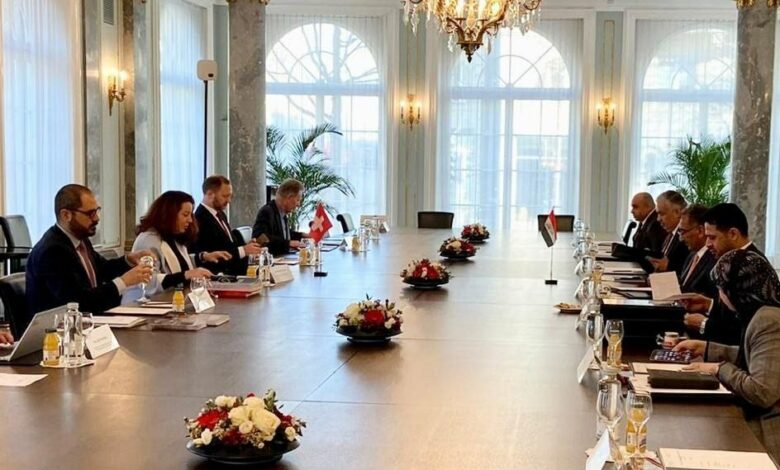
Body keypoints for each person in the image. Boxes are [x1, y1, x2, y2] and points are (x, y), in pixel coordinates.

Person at [674, 250, 780, 463]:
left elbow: (762, 392)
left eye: (721, 289)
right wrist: (707, 349)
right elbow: (755, 358)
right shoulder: (760, 312)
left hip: (767, 431)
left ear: (735, 289)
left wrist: (718, 368)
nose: (720, 296)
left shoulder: (767, 320)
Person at [26, 184, 153, 315]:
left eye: (97, 211)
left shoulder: (80, 239)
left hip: (89, 320)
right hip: (61, 325)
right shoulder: (52, 251)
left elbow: (103, 269)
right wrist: (124, 282)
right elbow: (77, 302)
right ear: (66, 215)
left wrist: (129, 260)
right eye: (90, 214)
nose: (97, 218)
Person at [682, 203, 766, 344]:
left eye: (712, 237)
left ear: (733, 234)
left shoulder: (751, 266)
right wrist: (709, 304)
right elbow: (735, 312)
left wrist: (704, 324)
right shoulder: (735, 261)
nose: (707, 244)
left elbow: (745, 328)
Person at [124, 191, 231, 301]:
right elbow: (148, 282)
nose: (190, 220)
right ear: (169, 214)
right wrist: (187, 275)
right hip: (144, 304)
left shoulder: (173, 236)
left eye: (191, 215)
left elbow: (178, 263)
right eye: (185, 215)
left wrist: (203, 257)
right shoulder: (148, 240)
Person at [192, 175, 262, 275]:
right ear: (210, 194)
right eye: (225, 196)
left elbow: (229, 246)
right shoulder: (200, 219)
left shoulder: (220, 214)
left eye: (230, 196)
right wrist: (243, 250)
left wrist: (247, 247)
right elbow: (215, 254)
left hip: (235, 271)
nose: (229, 200)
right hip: (218, 275)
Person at [251, 179, 312, 256]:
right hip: (272, 259)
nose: (298, 204)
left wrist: (303, 235)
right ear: (289, 197)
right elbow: (260, 238)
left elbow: (283, 235)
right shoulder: (267, 212)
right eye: (298, 200)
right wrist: (288, 243)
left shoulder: (281, 212)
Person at [677, 204, 717, 298]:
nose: (681, 239)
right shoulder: (692, 255)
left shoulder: (714, 259)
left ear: (700, 231)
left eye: (683, 232)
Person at [645, 190, 689, 275]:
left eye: (662, 214)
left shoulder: (685, 237)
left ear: (677, 212)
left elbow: (685, 271)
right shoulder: (670, 234)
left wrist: (668, 266)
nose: (658, 219)